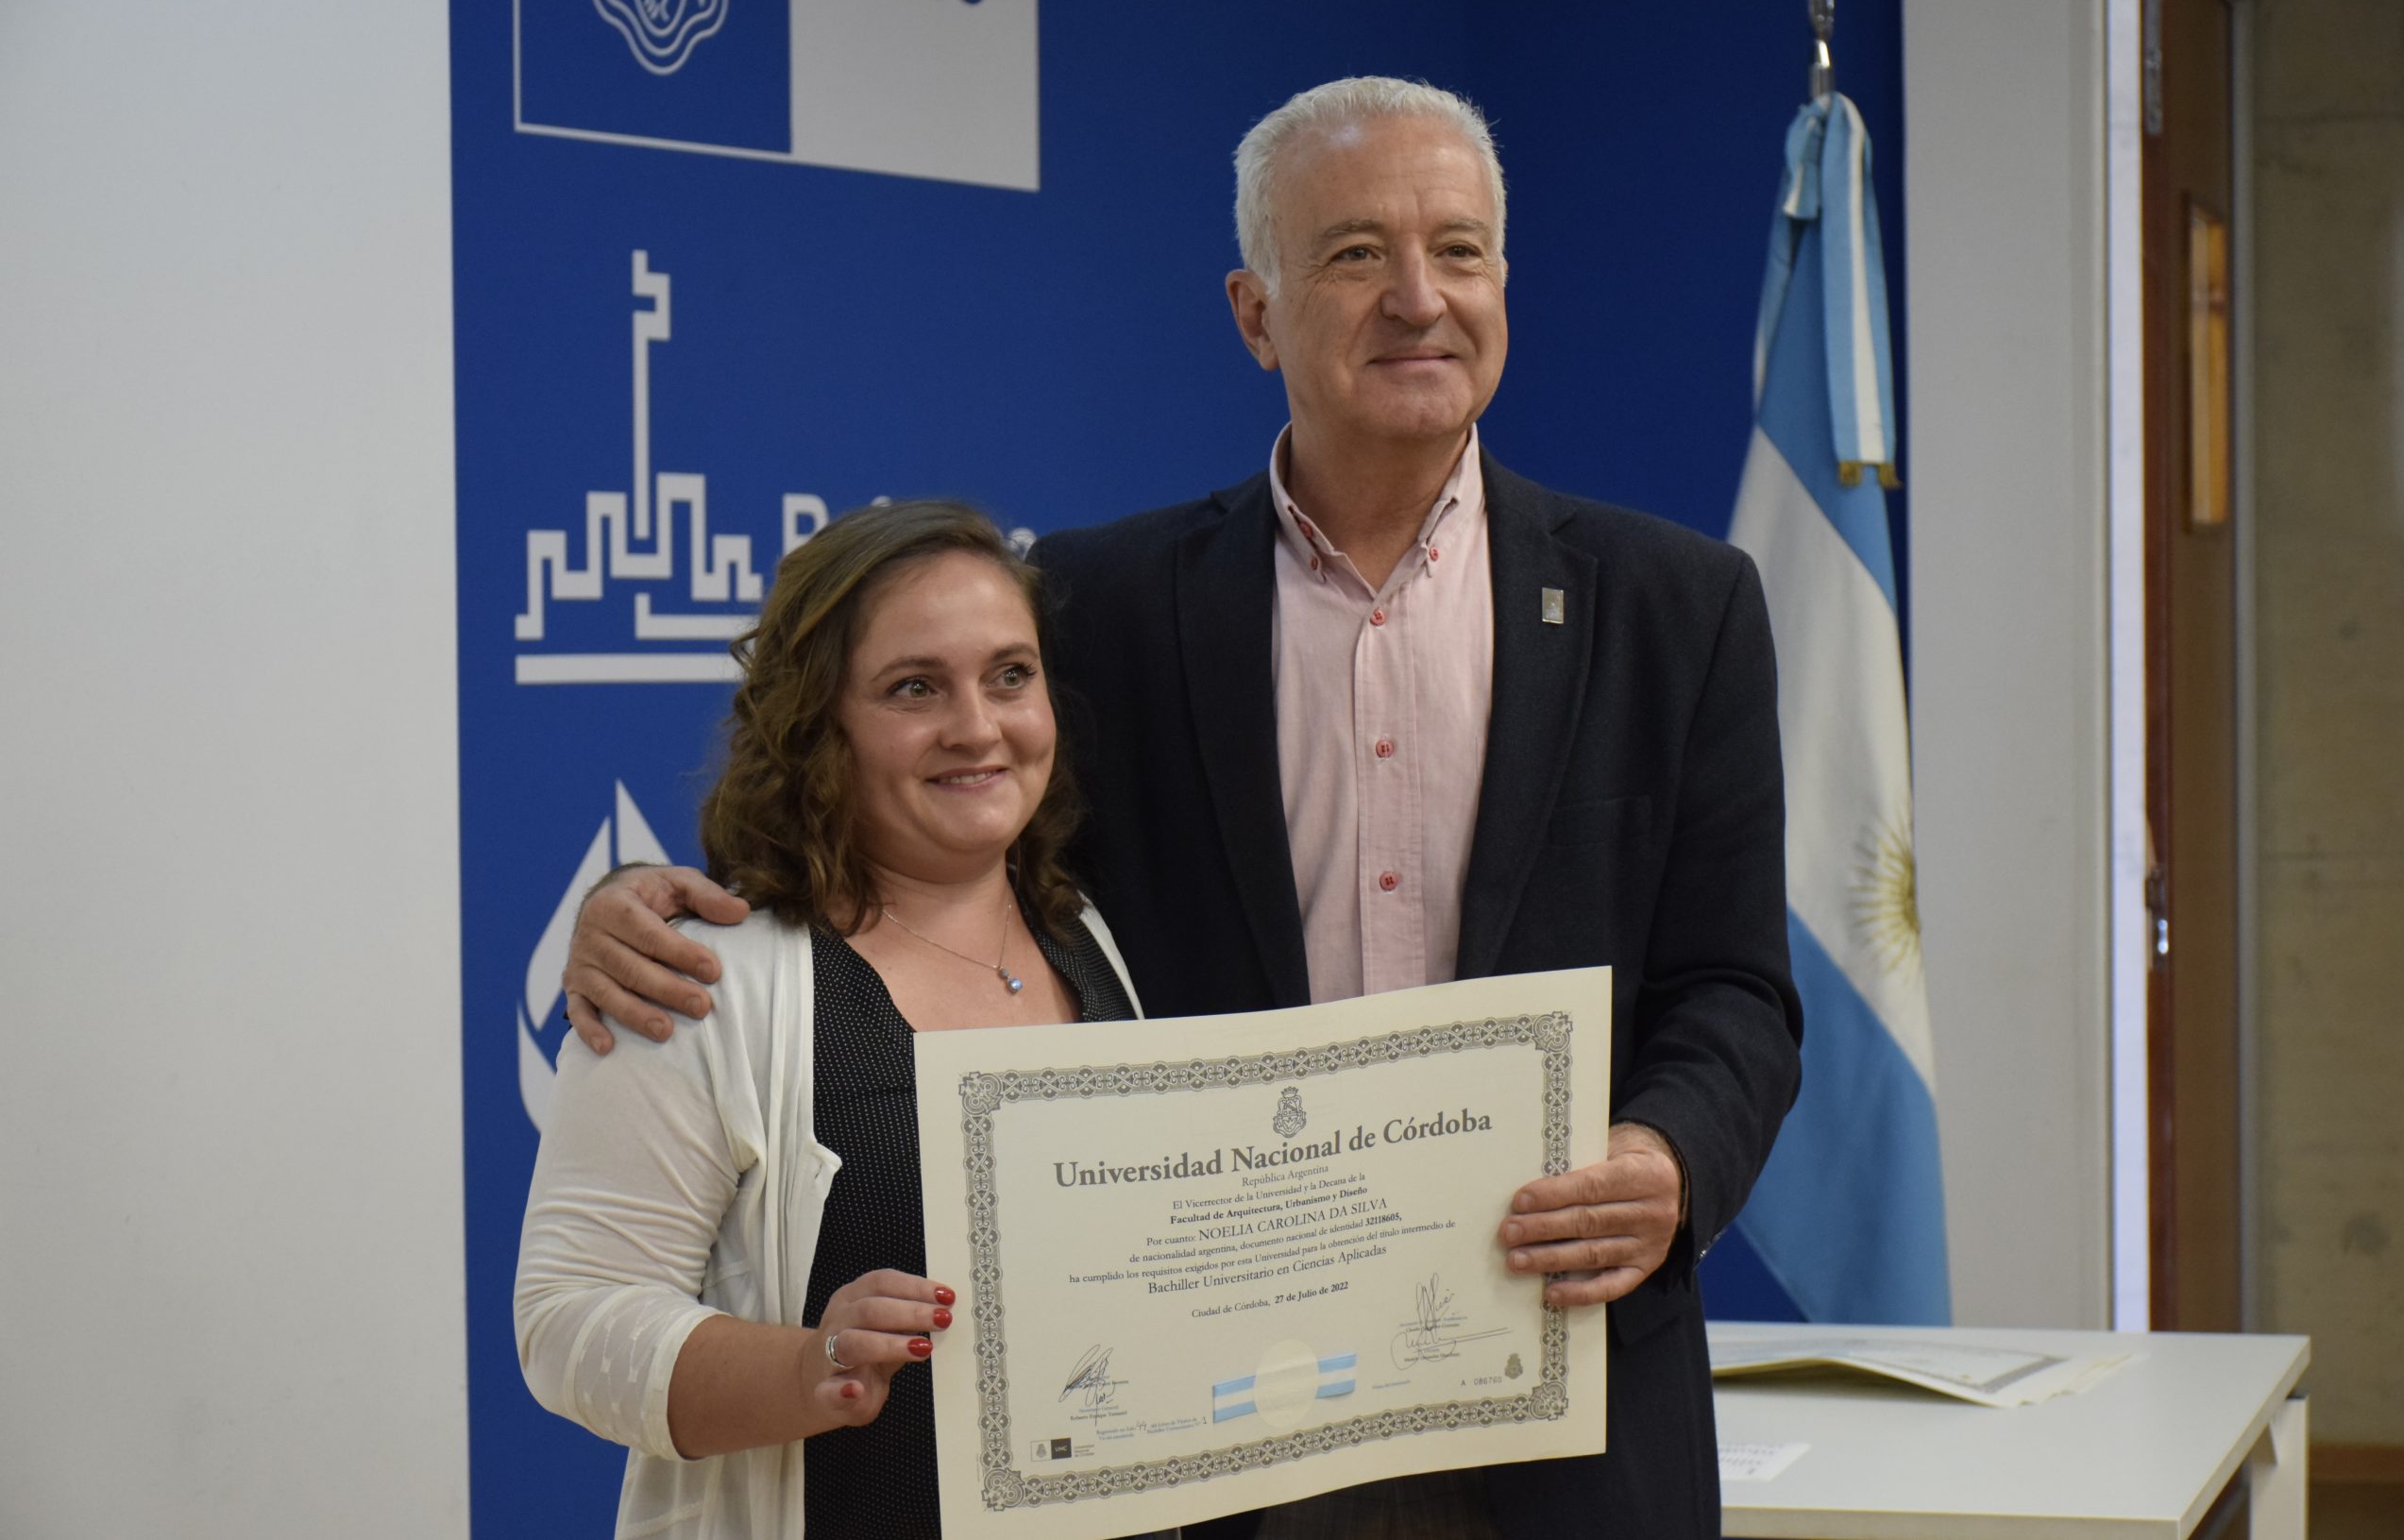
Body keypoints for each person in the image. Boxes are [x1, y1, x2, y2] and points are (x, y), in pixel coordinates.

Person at [566, 77, 1803, 1538]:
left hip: (1561, 1391)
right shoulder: (1099, 605)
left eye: (1459, 251)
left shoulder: (1678, 607)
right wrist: (644, 904)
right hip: (1207, 1436)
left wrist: (1666, 1156)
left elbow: (1736, 989)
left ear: (1503, 285)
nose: (1419, 297)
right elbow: (909, 829)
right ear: (1255, 314)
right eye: (1355, 253)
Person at [516, 500, 1147, 1540]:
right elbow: (568, 1323)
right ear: (819, 723)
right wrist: (806, 1367)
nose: (977, 726)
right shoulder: (695, 979)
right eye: (914, 688)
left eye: (1009, 675)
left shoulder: (1088, 938)